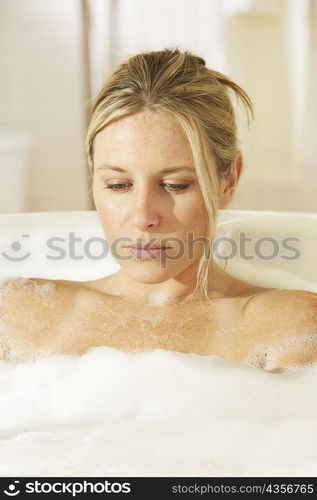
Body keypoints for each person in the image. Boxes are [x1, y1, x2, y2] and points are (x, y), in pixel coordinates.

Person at [1, 48, 316, 371]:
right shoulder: (17, 312)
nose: (142, 217)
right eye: (118, 185)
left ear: (229, 179)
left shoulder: (286, 328)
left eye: (175, 185)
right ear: (93, 173)